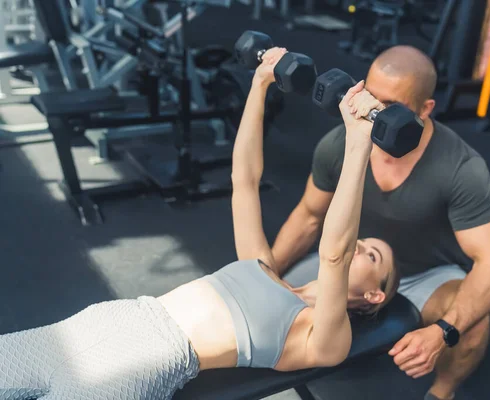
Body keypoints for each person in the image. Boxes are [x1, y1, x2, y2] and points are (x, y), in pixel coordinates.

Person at [0, 48, 399, 400]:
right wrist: (259, 83)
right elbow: (243, 182)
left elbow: (335, 254)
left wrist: (358, 141)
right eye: (364, 243)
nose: (360, 247)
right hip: (115, 317)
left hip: (149, 358)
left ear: (374, 296)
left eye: (373, 255)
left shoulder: (324, 337)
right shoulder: (260, 264)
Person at [271, 46, 490, 400]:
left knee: (473, 325)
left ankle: (442, 393)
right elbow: (309, 216)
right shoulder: (339, 144)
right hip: (355, 261)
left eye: (389, 107)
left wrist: (445, 330)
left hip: (427, 273)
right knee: (274, 307)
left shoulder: (460, 169)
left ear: (425, 109)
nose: (370, 113)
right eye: (370, 96)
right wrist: (264, 274)